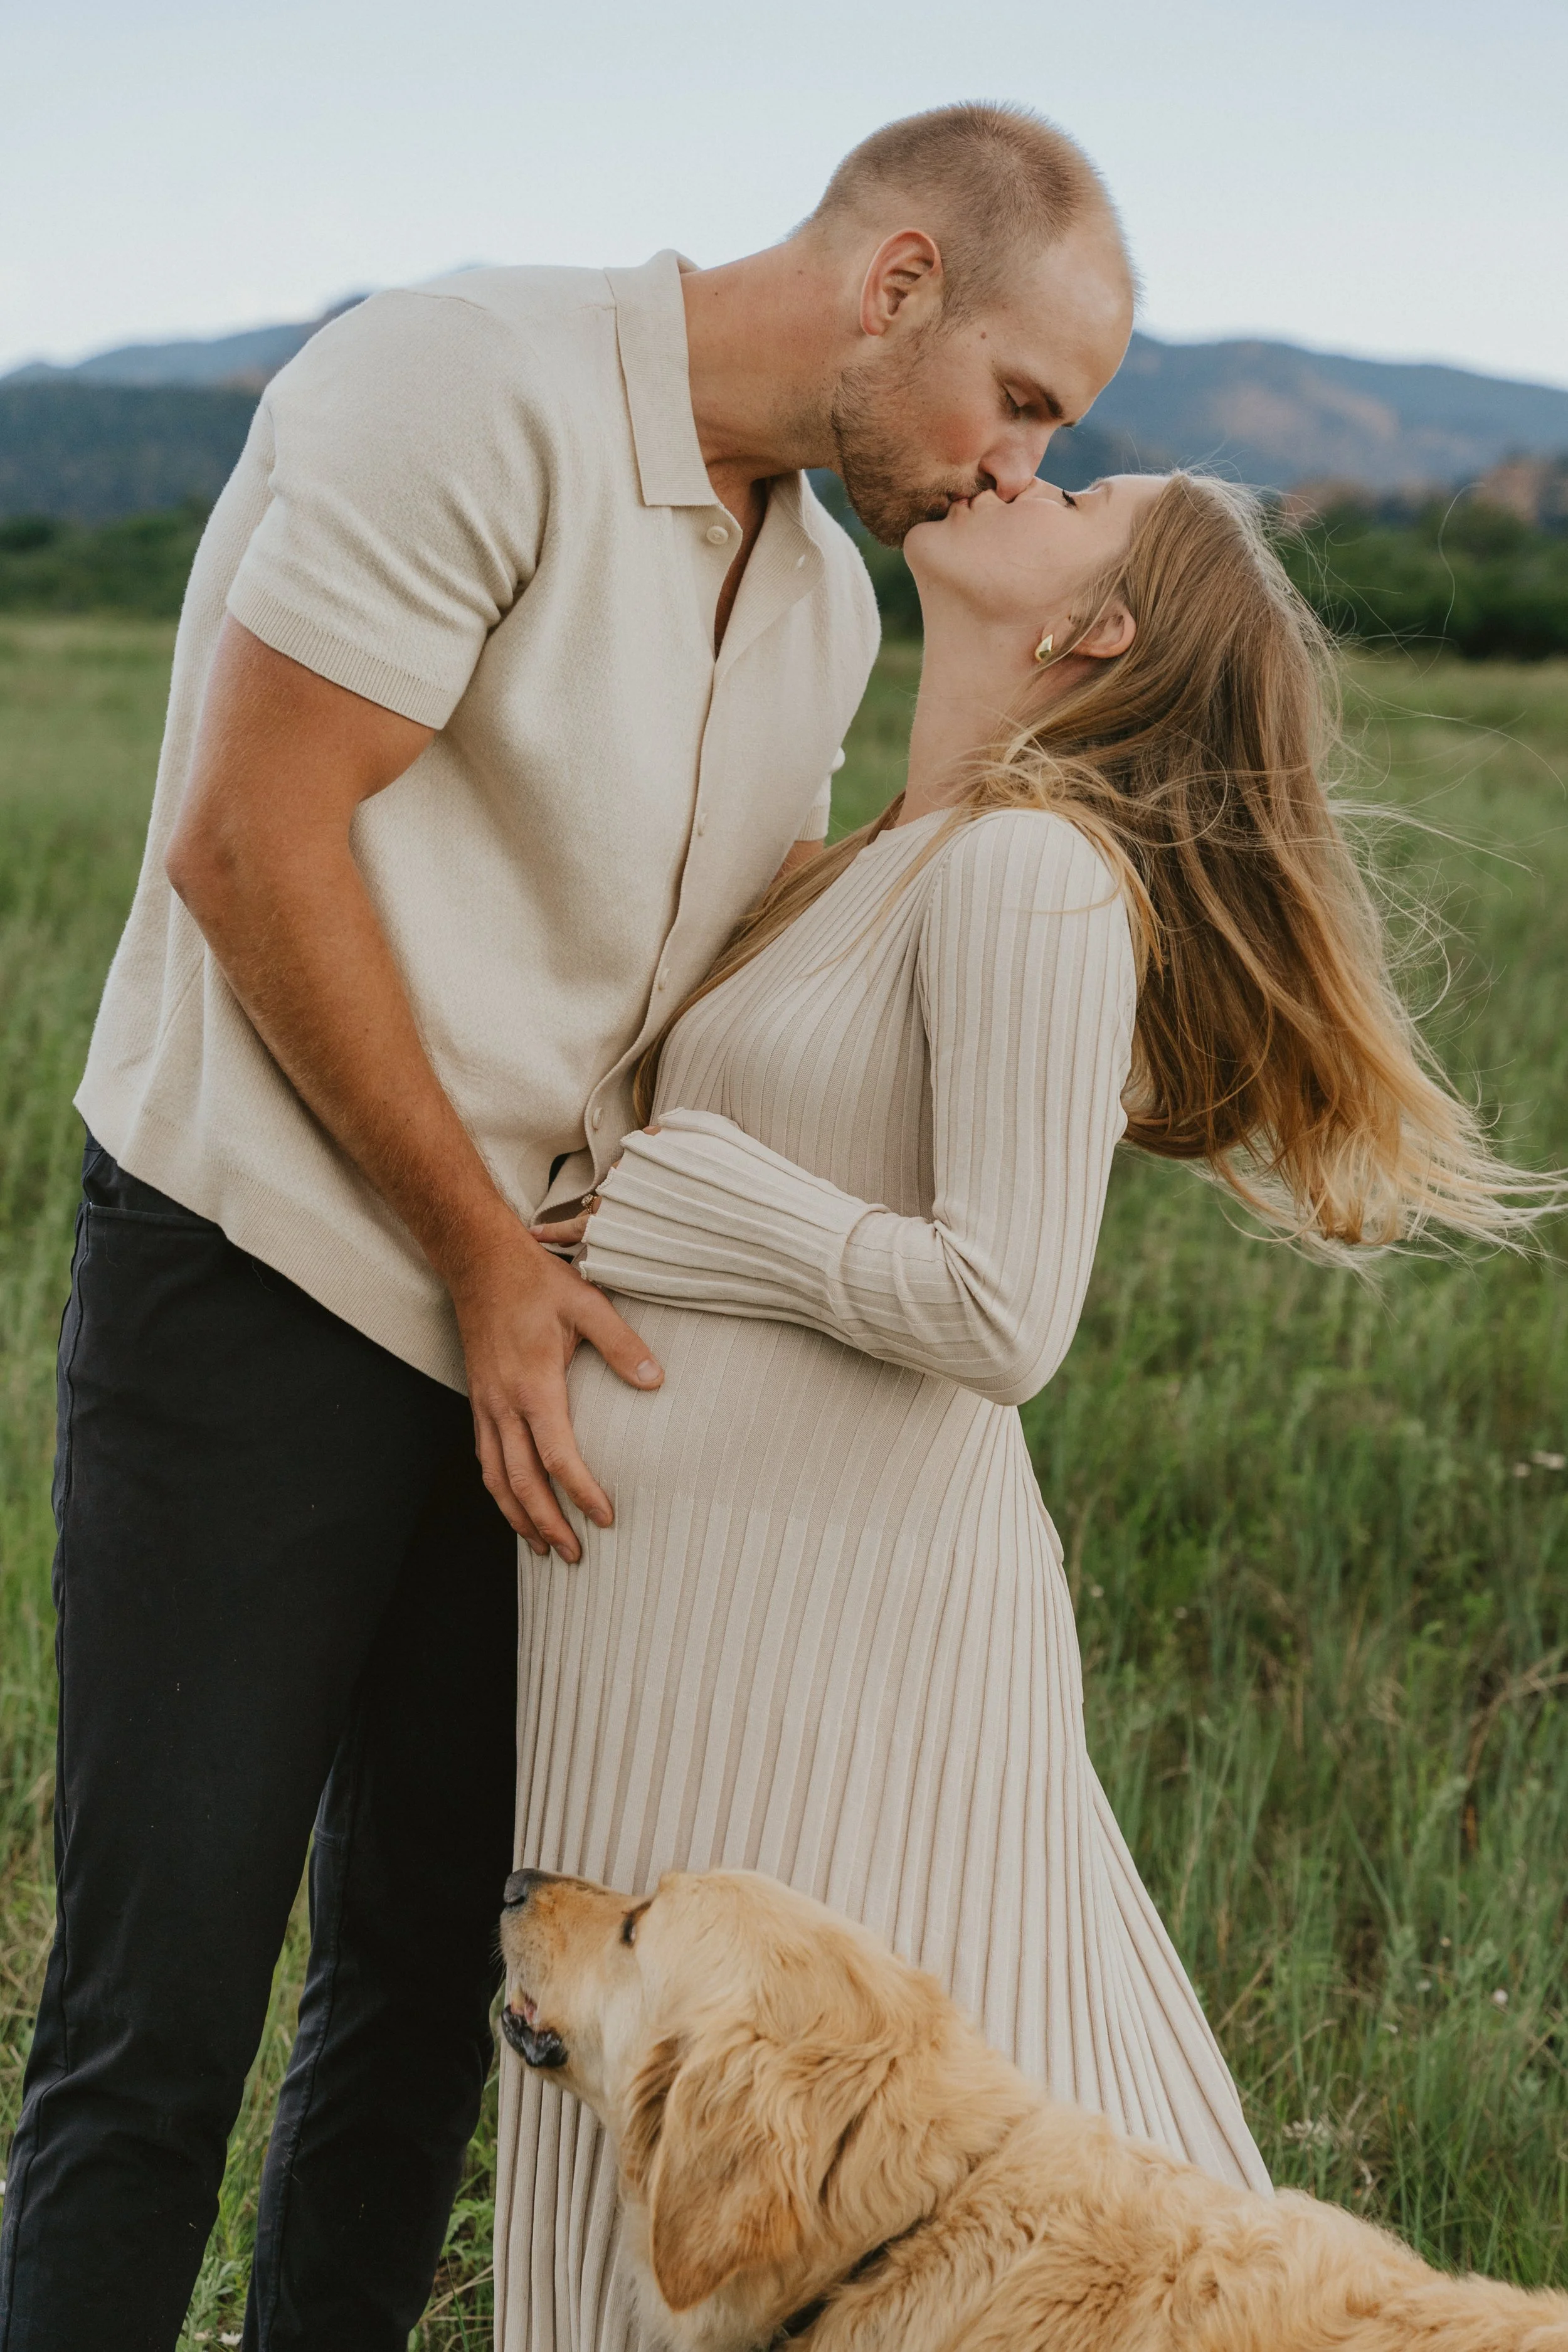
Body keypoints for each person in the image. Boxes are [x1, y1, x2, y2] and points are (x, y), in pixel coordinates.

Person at [0, 104, 1138, 2352]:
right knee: (163, 2010)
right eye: (1020, 401)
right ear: (897, 278)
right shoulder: (457, 385)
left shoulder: (816, 598)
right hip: (266, 1281)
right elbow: (249, 843)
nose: (1015, 467)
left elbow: (708, 1004)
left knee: (432, 1983)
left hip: (523, 1365)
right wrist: (489, 1252)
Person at [497, 467, 1554, 2350]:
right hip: (690, 1609)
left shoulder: (1031, 874)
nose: (1014, 469)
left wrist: (680, 1199)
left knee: (880, 2158)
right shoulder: (877, 850)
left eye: (1081, 490)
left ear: (1099, 630)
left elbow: (1001, 1306)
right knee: (681, 2112)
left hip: (832, 1631)